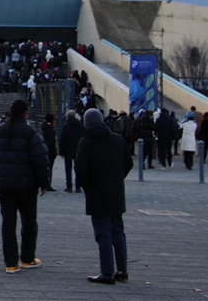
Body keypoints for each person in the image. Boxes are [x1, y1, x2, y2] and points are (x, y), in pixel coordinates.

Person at [0, 99, 50, 273]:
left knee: (8, 224)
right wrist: (44, 183)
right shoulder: (30, 133)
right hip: (27, 187)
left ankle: (11, 263)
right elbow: (40, 160)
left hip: (4, 187)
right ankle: (27, 259)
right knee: (29, 222)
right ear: (25, 113)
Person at [76, 108, 134, 284]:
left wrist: (88, 187)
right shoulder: (117, 139)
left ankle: (107, 272)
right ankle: (122, 270)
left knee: (103, 232)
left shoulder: (85, 142)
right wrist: (117, 178)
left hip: (96, 192)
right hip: (116, 191)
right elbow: (129, 163)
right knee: (118, 230)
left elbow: (80, 171)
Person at [59, 111, 84, 193]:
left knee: (68, 169)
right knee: (78, 169)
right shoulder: (80, 126)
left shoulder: (66, 127)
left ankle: (69, 186)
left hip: (68, 150)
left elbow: (62, 140)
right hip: (78, 150)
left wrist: (61, 152)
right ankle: (78, 187)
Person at [41, 113, 58, 191]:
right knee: (49, 168)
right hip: (50, 152)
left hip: (44, 150)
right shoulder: (51, 129)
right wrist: (54, 152)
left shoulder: (44, 128)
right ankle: (48, 185)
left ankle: (43, 184)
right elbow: (51, 142)